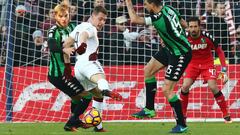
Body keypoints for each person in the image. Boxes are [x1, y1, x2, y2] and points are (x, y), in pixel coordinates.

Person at [47, 1, 121, 132]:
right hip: (57, 73)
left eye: (66, 15)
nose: (64, 19)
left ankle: (79, 122)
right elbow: (53, 46)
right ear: (55, 17)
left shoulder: (73, 27)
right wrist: (68, 50)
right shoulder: (54, 30)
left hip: (71, 69)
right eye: (61, 16)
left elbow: (72, 39)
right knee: (85, 96)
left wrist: (69, 64)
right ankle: (72, 122)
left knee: (80, 96)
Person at [125, 0, 192, 133]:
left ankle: (181, 124)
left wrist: (128, 2)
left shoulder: (158, 17)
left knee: (167, 89)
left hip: (180, 53)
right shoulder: (169, 8)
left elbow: (134, 19)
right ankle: (149, 109)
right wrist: (172, 35)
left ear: (152, 4)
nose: (145, 7)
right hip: (169, 48)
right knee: (148, 71)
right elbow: (184, 24)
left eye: (145, 4)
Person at [180, 17, 232, 123]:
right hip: (192, 65)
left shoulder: (207, 37)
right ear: (188, 28)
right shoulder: (184, 38)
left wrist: (224, 70)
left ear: (199, 27)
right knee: (185, 86)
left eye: (195, 26)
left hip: (207, 64)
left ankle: (226, 114)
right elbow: (175, 49)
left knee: (213, 86)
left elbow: (220, 52)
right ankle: (183, 115)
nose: (193, 29)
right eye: (191, 27)